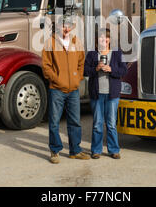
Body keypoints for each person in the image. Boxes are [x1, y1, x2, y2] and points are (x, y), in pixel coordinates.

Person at [42, 15, 89, 164]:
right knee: (54, 122)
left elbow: (81, 62)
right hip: (57, 89)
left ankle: (75, 150)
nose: (66, 29)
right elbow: (46, 66)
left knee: (75, 121)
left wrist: (77, 78)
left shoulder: (76, 42)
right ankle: (55, 151)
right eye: (63, 26)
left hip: (73, 89)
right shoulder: (50, 43)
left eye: (69, 26)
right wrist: (56, 79)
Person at [83, 28, 127, 159]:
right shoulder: (92, 54)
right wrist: (95, 69)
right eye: (101, 37)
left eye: (106, 37)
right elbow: (84, 71)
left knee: (111, 123)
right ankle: (96, 150)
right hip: (97, 94)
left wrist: (111, 69)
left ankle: (113, 149)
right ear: (97, 40)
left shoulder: (117, 53)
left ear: (109, 40)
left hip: (112, 94)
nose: (104, 39)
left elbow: (124, 70)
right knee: (97, 123)